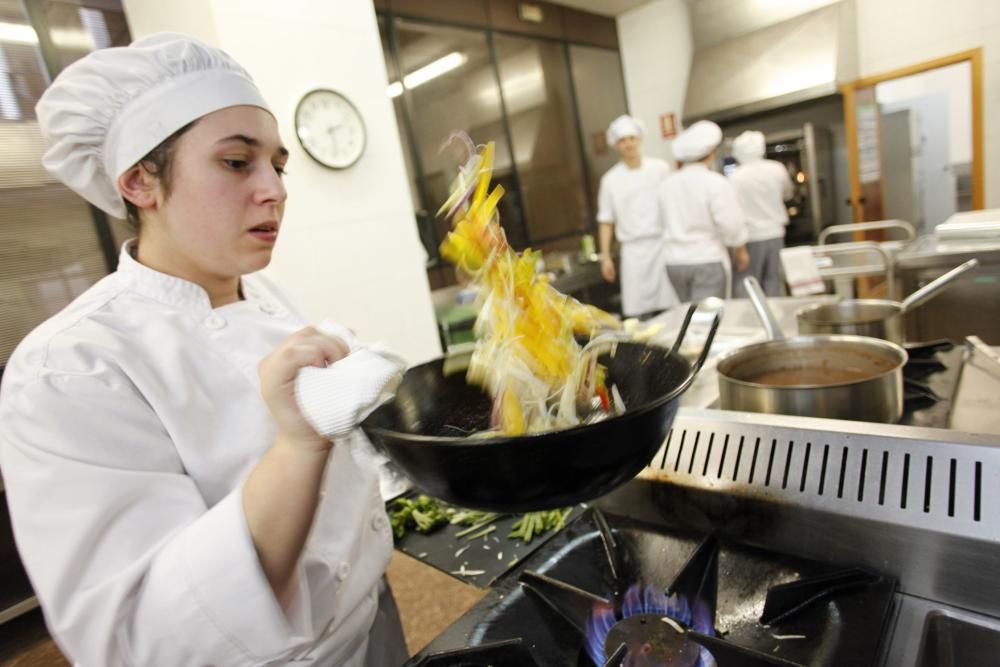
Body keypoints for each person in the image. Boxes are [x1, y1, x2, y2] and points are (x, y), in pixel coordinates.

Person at [0, 33, 409, 667]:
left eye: (278, 164)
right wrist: (299, 444)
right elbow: (142, 636)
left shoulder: (262, 295)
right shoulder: (68, 368)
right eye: (236, 163)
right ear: (140, 181)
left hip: (373, 619)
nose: (274, 189)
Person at [596, 114, 679, 317]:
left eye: (632, 138)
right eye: (623, 141)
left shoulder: (660, 169)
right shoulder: (610, 180)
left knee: (672, 311)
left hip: (661, 247)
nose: (628, 144)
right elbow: (606, 221)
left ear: (639, 139)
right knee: (638, 316)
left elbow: (674, 206)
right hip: (632, 253)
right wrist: (605, 257)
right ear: (616, 145)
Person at [659, 120, 750, 302]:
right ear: (711, 154)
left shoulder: (666, 185)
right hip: (707, 259)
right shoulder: (715, 183)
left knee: (688, 316)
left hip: (674, 264)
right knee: (707, 322)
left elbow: (661, 221)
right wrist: (740, 248)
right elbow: (730, 225)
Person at [728, 130, 796, 297]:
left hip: (750, 237)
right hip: (775, 234)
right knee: (774, 281)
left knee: (749, 284)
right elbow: (788, 194)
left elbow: (733, 213)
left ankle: (750, 320)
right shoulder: (777, 169)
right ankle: (775, 318)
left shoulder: (736, 177)